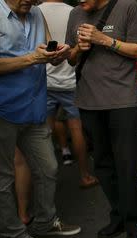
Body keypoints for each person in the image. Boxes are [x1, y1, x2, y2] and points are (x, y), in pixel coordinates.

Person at [66, 0, 137, 238]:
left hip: (122, 101)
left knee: (129, 164)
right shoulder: (75, 13)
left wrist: (105, 39)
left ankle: (136, 225)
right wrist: (78, 50)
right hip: (88, 101)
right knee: (102, 164)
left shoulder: (127, 7)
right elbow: (70, 59)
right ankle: (119, 216)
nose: (80, 1)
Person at [0, 0, 81, 238]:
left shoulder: (36, 13)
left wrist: (56, 55)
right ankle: (15, 237)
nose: (29, 1)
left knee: (49, 166)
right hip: (3, 110)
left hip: (34, 106)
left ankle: (45, 221)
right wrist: (31, 58)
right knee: (3, 179)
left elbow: (48, 53)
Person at [39, 0, 99, 188]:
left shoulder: (36, 12)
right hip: (70, 80)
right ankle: (84, 175)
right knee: (76, 129)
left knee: (42, 134)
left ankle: (46, 181)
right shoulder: (74, 12)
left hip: (46, 80)